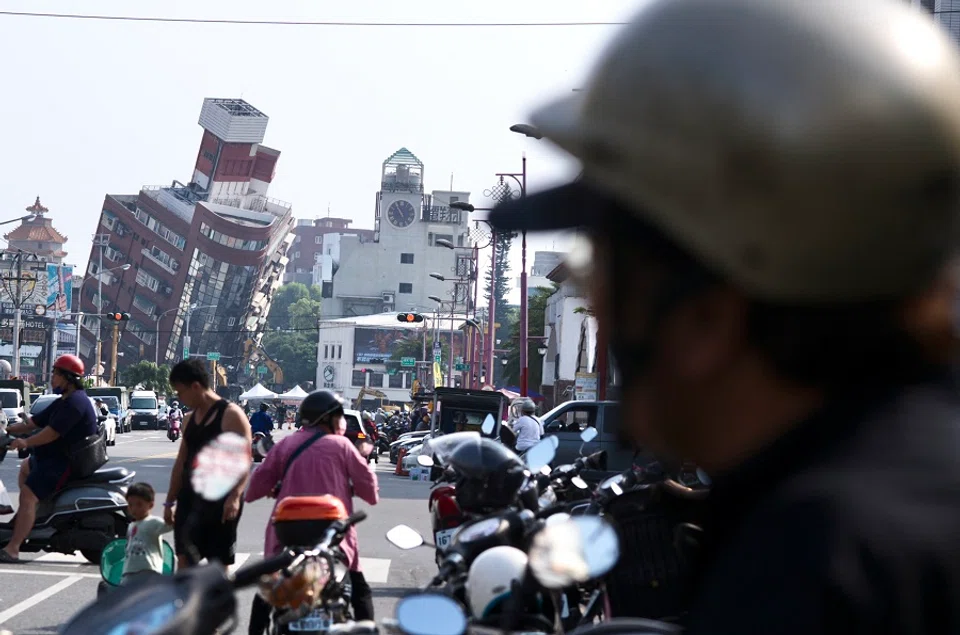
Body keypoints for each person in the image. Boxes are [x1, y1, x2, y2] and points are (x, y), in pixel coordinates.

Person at [489, 0, 960, 631]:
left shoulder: (812, 565)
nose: (596, 305)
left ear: (707, 316)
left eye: (609, 270)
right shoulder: (909, 485)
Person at [245, 390, 379, 634]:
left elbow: (253, 489)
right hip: (334, 535)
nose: (341, 422)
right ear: (326, 419)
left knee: (269, 589)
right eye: (338, 417)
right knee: (358, 587)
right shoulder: (343, 446)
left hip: (288, 534)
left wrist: (276, 488)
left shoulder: (287, 444)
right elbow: (371, 491)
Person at [0, 354, 98, 563]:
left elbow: (51, 433)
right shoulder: (63, 401)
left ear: (68, 378)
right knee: (26, 467)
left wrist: (26, 443)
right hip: (52, 459)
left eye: (55, 374)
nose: (52, 378)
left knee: (28, 495)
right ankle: (30, 516)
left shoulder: (76, 403)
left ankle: (13, 548)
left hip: (63, 463)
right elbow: (32, 423)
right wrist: (5, 430)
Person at [163, 359, 251, 570]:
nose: (179, 398)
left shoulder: (231, 416)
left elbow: (245, 461)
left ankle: (218, 603)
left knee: (218, 569)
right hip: (189, 500)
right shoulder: (188, 420)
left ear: (195, 386)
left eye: (180, 392)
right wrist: (169, 502)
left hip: (221, 502)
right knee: (184, 564)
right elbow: (181, 461)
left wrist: (235, 497)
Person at [121, 482, 172, 584]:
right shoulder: (131, 526)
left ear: (151, 505)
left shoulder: (153, 522)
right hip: (129, 570)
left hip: (149, 571)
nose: (134, 509)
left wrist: (170, 510)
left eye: (139, 504)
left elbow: (169, 525)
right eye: (131, 505)